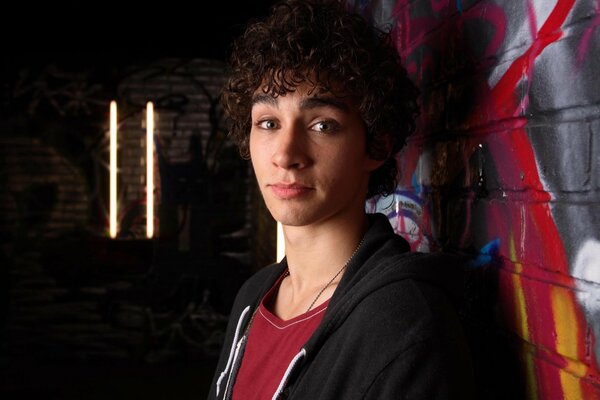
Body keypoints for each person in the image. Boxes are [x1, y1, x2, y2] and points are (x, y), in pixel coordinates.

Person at [208, 0, 474, 398]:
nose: (285, 154)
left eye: (322, 125)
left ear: (377, 144)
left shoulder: (403, 327)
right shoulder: (254, 296)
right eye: (268, 123)